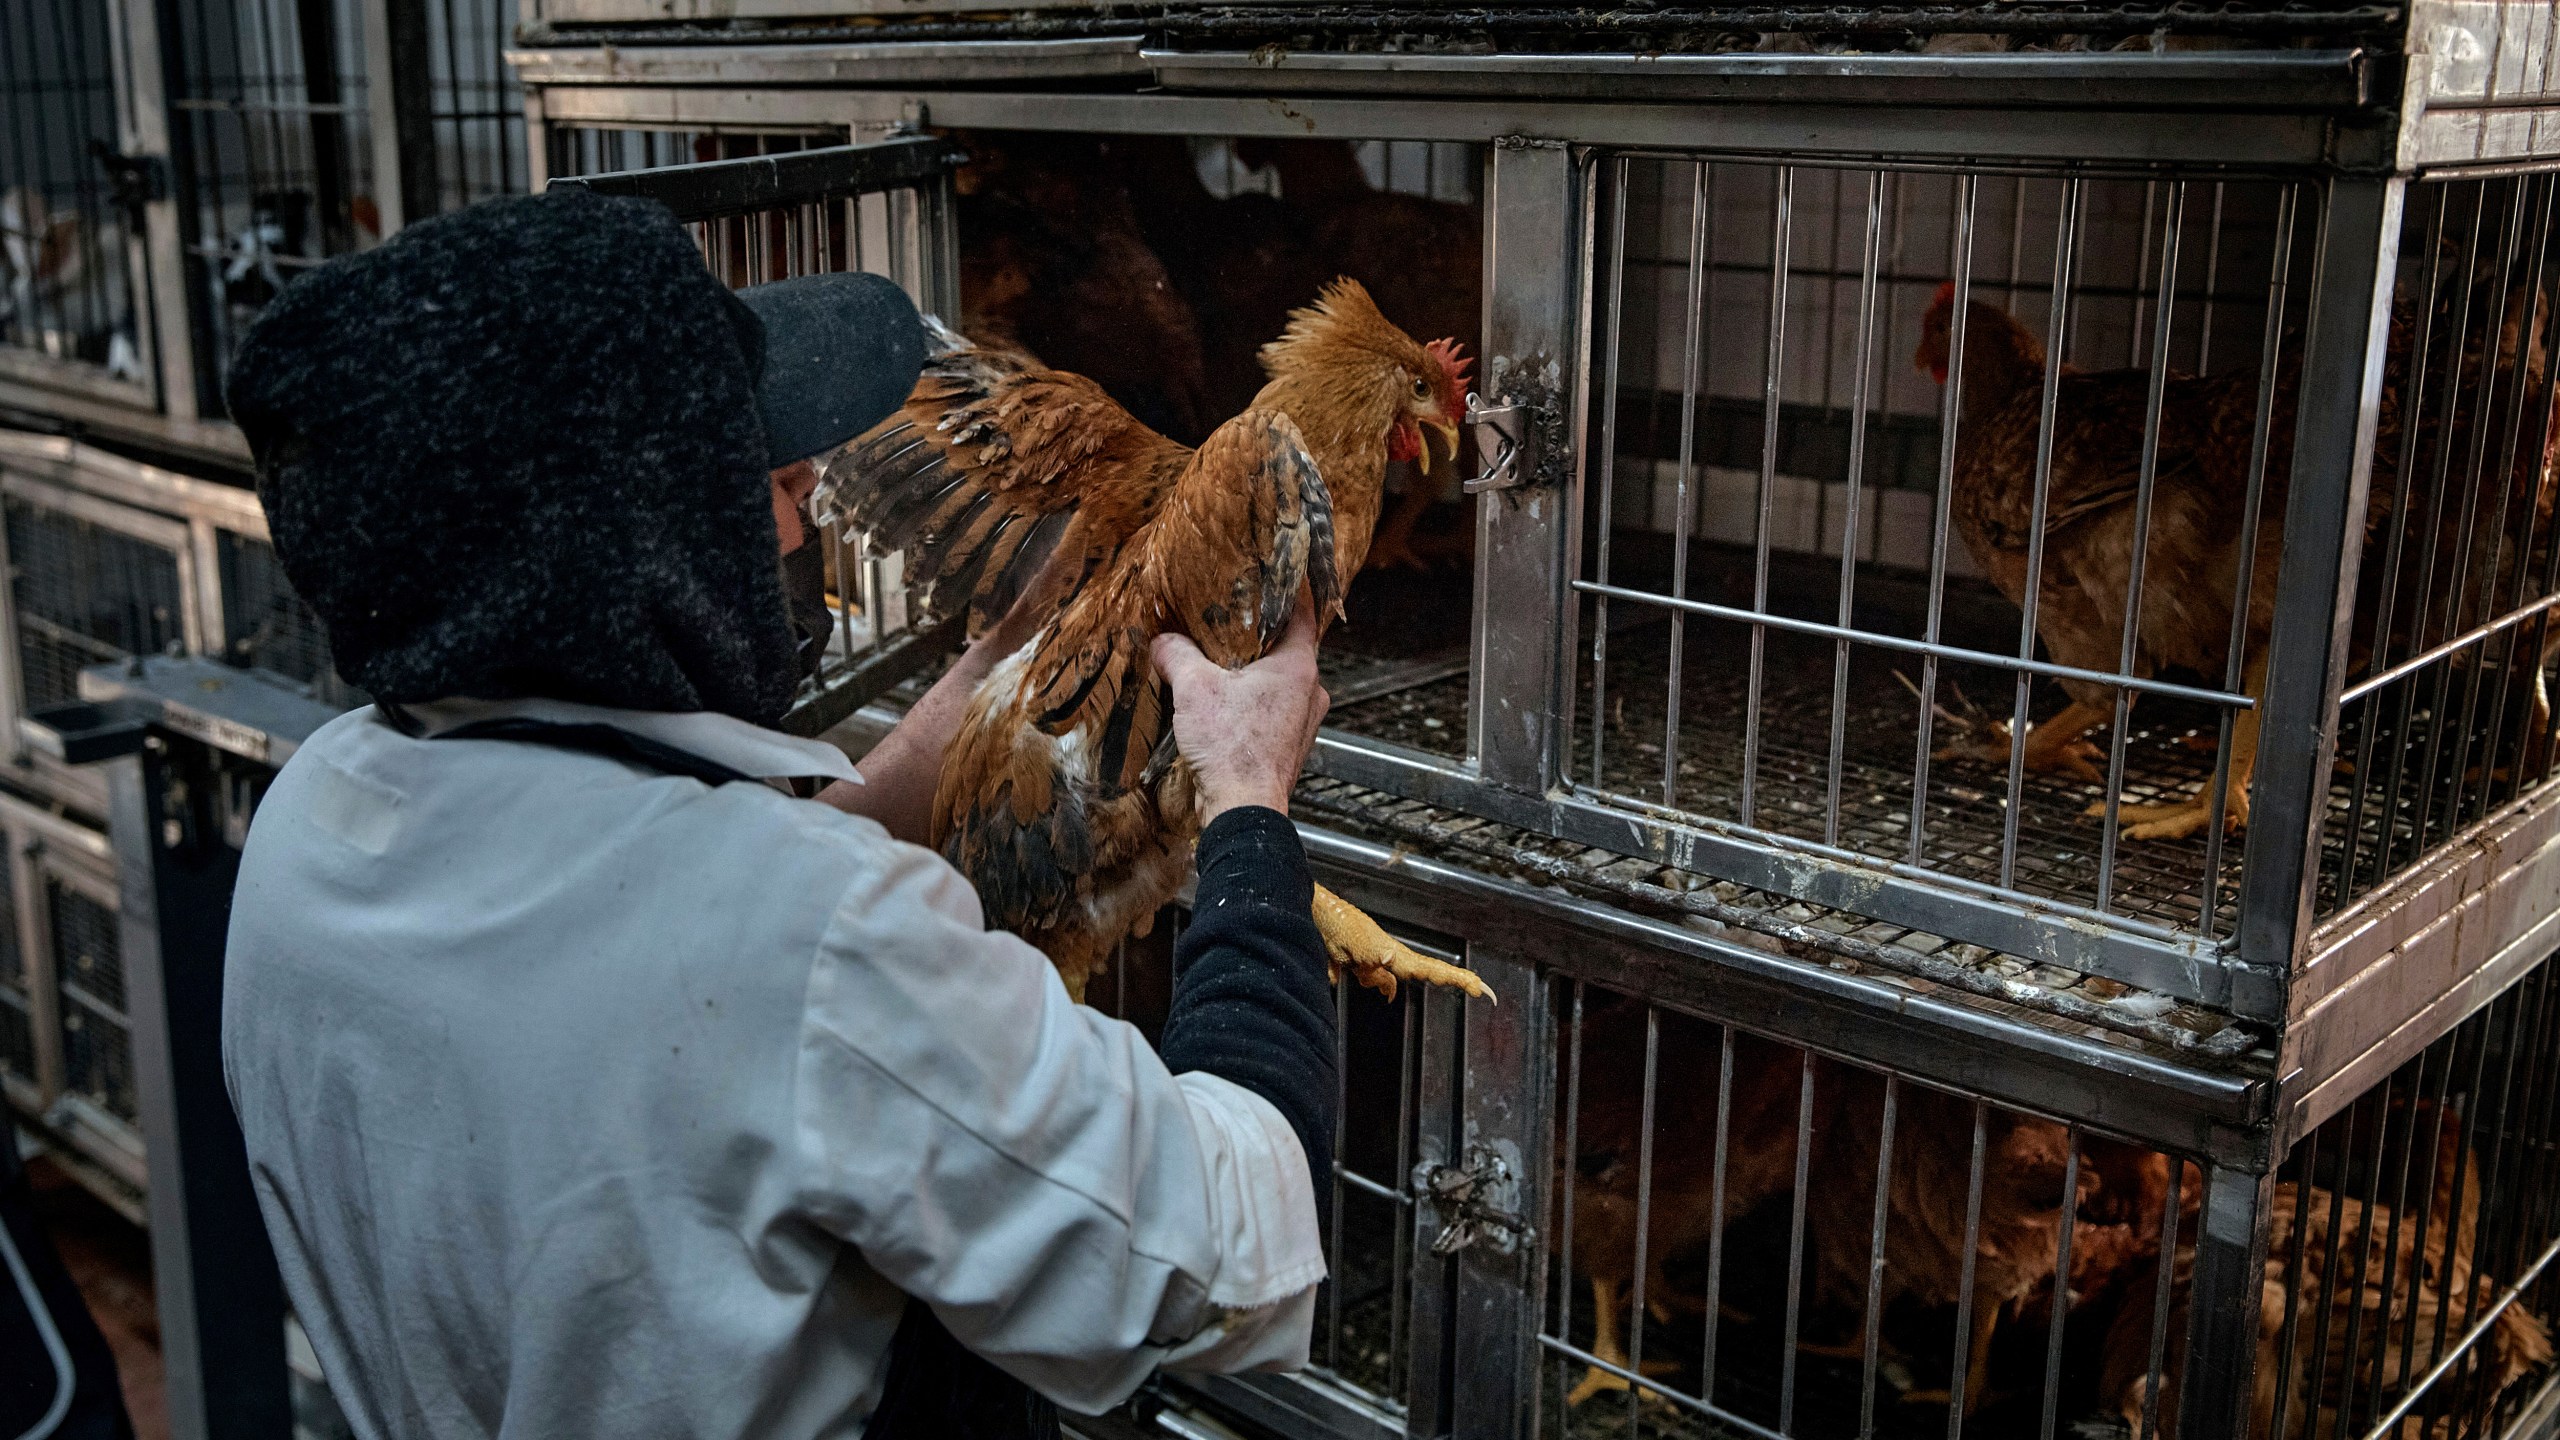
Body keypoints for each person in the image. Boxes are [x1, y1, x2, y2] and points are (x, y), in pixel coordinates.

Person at [218, 189, 1339, 1438]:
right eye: (772, 481)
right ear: (641, 543)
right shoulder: (800, 939)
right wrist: (1246, 806)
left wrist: (993, 674)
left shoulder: (308, 823)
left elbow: (698, 884)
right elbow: (1229, 1260)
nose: (804, 513)